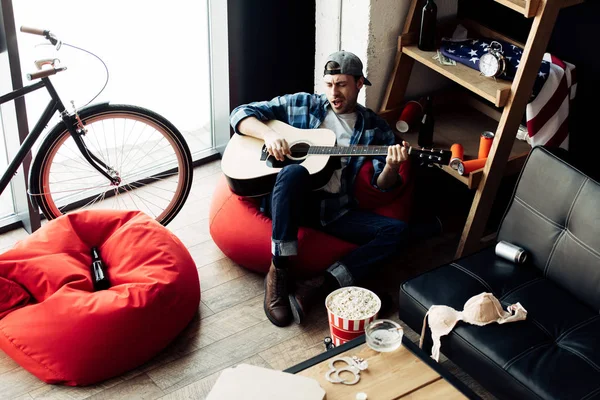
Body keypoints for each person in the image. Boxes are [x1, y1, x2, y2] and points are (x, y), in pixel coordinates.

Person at [229, 50, 410, 327]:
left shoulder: (376, 130)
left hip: (335, 210)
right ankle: (278, 272)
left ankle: (320, 283)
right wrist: (270, 134)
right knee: (293, 172)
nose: (334, 93)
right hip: (290, 202)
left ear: (359, 83)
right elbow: (240, 114)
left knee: (397, 232)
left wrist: (392, 167)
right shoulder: (302, 104)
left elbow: (382, 186)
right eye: (329, 85)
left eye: (342, 84)